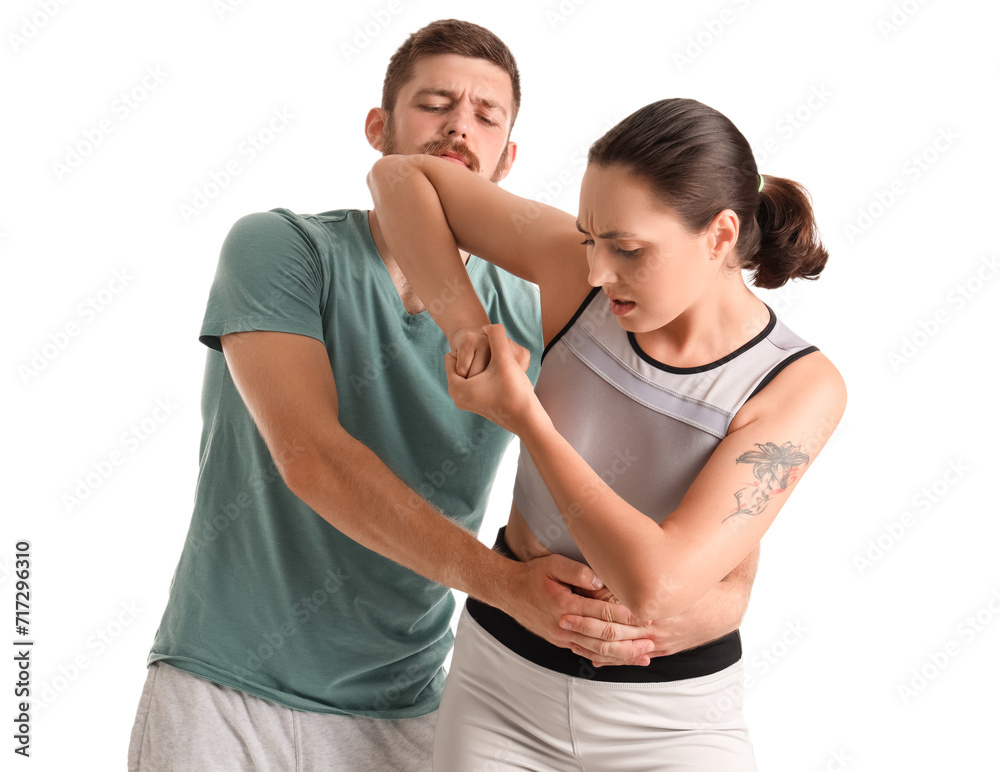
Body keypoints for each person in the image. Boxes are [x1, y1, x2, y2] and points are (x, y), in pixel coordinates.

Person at [127, 23, 757, 772]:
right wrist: (510, 590)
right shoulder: (281, 249)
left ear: (507, 161)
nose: (461, 123)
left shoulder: (543, 310)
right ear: (379, 128)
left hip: (406, 710)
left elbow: (685, 465)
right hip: (221, 688)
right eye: (435, 103)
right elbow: (312, 461)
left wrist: (678, 612)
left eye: (488, 115)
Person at [368, 97, 847, 770]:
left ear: (718, 236)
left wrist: (526, 419)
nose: (596, 272)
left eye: (626, 249)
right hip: (500, 690)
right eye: (591, 239)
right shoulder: (580, 275)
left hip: (674, 724)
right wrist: (472, 333)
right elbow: (398, 177)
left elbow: (654, 585)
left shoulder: (798, 386)